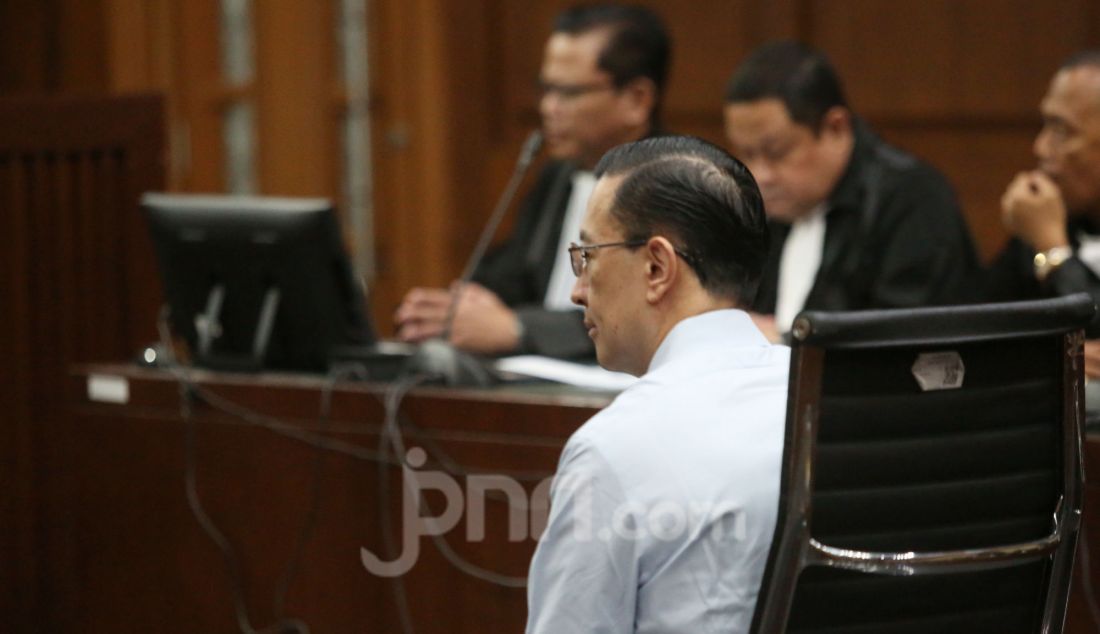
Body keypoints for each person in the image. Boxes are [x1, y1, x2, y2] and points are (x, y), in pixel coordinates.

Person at [526, 136, 789, 633]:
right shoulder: (827, 404)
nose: (578, 291)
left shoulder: (612, 450)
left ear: (656, 267)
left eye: (587, 256)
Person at [394, 3, 670, 359]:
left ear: (636, 99)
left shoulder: (673, 189)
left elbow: (651, 317)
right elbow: (511, 275)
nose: (548, 108)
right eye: (546, 90)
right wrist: (462, 308)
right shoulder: (558, 176)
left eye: (568, 93)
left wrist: (518, 328)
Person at [722, 41, 980, 341]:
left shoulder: (913, 200)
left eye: (776, 152)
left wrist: (783, 341)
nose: (759, 175)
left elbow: (906, 340)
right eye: (746, 154)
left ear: (836, 127)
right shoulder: (761, 208)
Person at [985, 50, 1100, 341]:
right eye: (1044, 125)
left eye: (1061, 130)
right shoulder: (1050, 218)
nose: (1040, 147)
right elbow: (984, 325)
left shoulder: (1047, 231)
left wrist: (1053, 251)